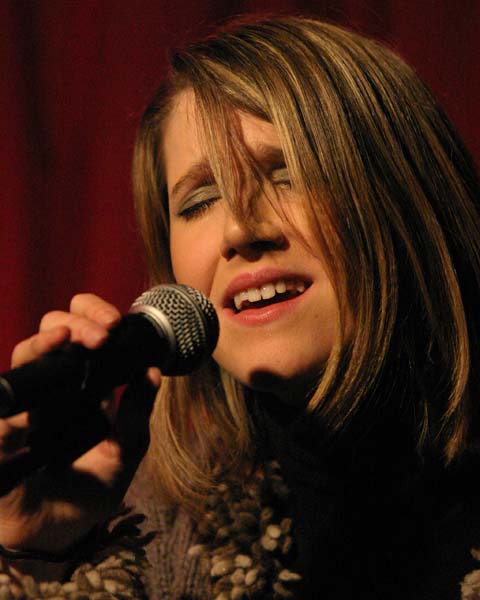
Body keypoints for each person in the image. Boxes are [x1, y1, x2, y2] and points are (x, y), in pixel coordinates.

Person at [1, 15, 480, 600]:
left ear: (407, 196)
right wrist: (45, 552)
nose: (239, 229)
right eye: (200, 200)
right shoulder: (158, 537)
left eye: (289, 173)